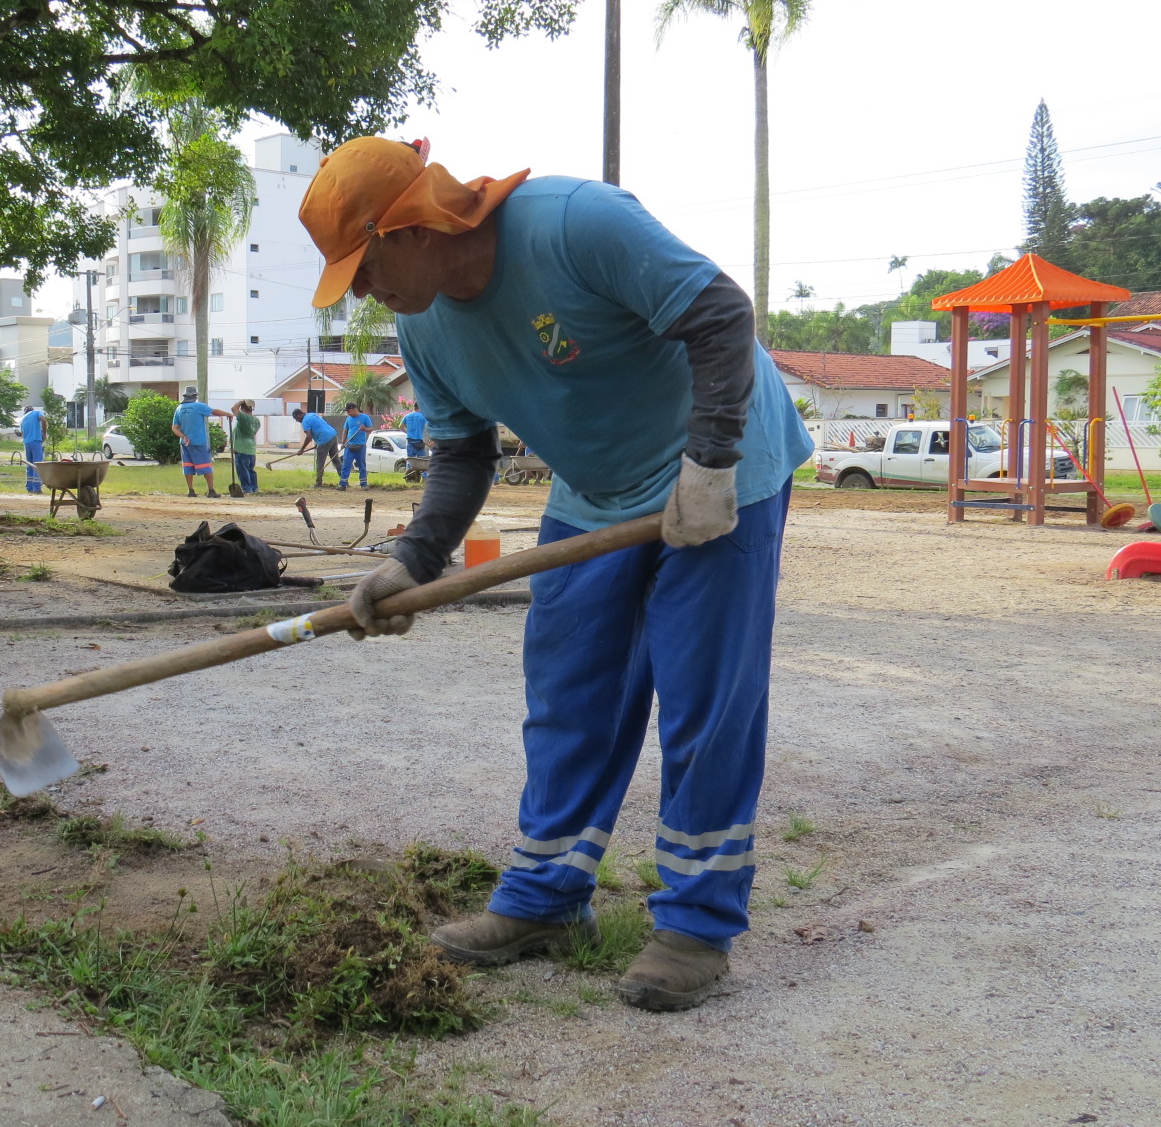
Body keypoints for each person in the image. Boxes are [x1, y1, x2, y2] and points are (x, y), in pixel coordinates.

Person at [297, 137, 813, 1013]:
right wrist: (411, 562)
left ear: (412, 226)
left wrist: (712, 462)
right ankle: (545, 899)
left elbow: (722, 315)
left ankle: (695, 924)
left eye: (366, 264)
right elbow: (462, 454)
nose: (363, 291)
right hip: (596, 489)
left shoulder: (578, 224)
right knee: (570, 690)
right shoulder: (423, 328)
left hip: (722, 467)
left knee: (702, 698)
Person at [171, 386, 231, 498]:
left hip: (184, 443)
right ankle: (211, 490)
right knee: (205, 465)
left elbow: (174, 427)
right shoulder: (199, 406)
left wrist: (183, 436)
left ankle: (191, 490)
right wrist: (228, 414)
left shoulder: (179, 408)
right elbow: (214, 412)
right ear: (195, 396)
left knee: (187, 466)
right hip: (199, 441)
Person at [290, 405, 342, 487]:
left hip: (324, 439)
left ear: (300, 415)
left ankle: (318, 483)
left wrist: (302, 449)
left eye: (297, 418)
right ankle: (344, 481)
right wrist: (317, 443)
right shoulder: (312, 414)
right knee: (336, 460)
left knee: (320, 462)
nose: (297, 421)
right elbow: (319, 426)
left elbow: (309, 436)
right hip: (333, 435)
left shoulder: (305, 422)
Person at [338, 402, 372, 490]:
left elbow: (370, 429)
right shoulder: (348, 419)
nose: (348, 413)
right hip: (349, 446)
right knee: (346, 465)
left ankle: (363, 484)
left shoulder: (365, 417)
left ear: (353, 409)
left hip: (360, 446)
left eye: (348, 411)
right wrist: (343, 442)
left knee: (361, 465)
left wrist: (364, 429)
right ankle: (343, 484)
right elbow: (345, 431)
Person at [231, 400, 261, 495]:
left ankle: (247, 488)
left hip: (241, 448)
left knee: (242, 470)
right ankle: (254, 488)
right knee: (250, 469)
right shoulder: (256, 421)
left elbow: (233, 409)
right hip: (251, 448)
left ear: (243, 408)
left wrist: (240, 402)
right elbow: (253, 434)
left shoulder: (243, 417)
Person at [19, 405, 45, 494]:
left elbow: (22, 433)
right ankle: (37, 488)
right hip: (36, 441)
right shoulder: (36, 413)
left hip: (27, 443)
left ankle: (29, 487)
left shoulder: (23, 419)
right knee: (37, 464)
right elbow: (43, 420)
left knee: (29, 465)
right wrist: (44, 433)